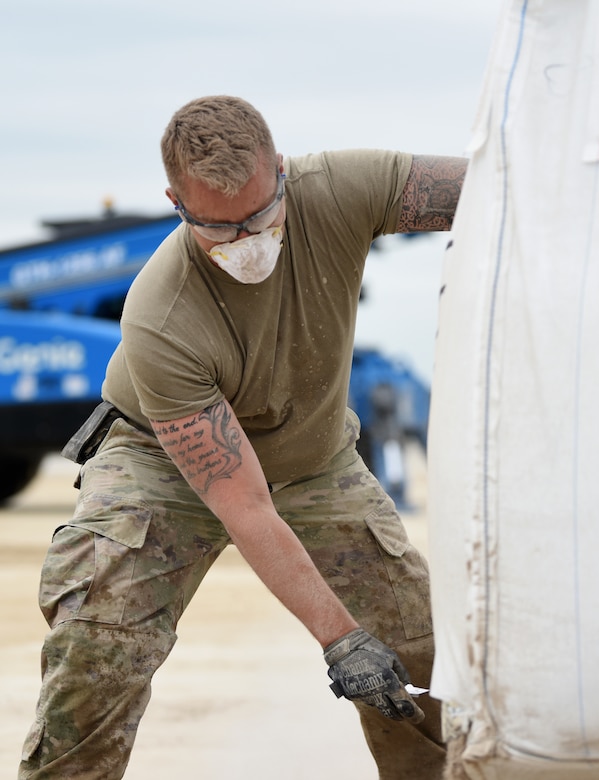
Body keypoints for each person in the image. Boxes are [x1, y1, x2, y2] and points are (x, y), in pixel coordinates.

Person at [19, 95, 466, 779]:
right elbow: (246, 507)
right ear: (175, 202)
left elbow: (496, 190)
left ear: (282, 172)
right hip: (160, 462)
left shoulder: (343, 190)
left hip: (312, 458)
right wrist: (341, 641)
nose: (243, 243)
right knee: (98, 643)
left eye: (259, 217)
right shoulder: (160, 316)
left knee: (421, 652)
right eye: (215, 228)